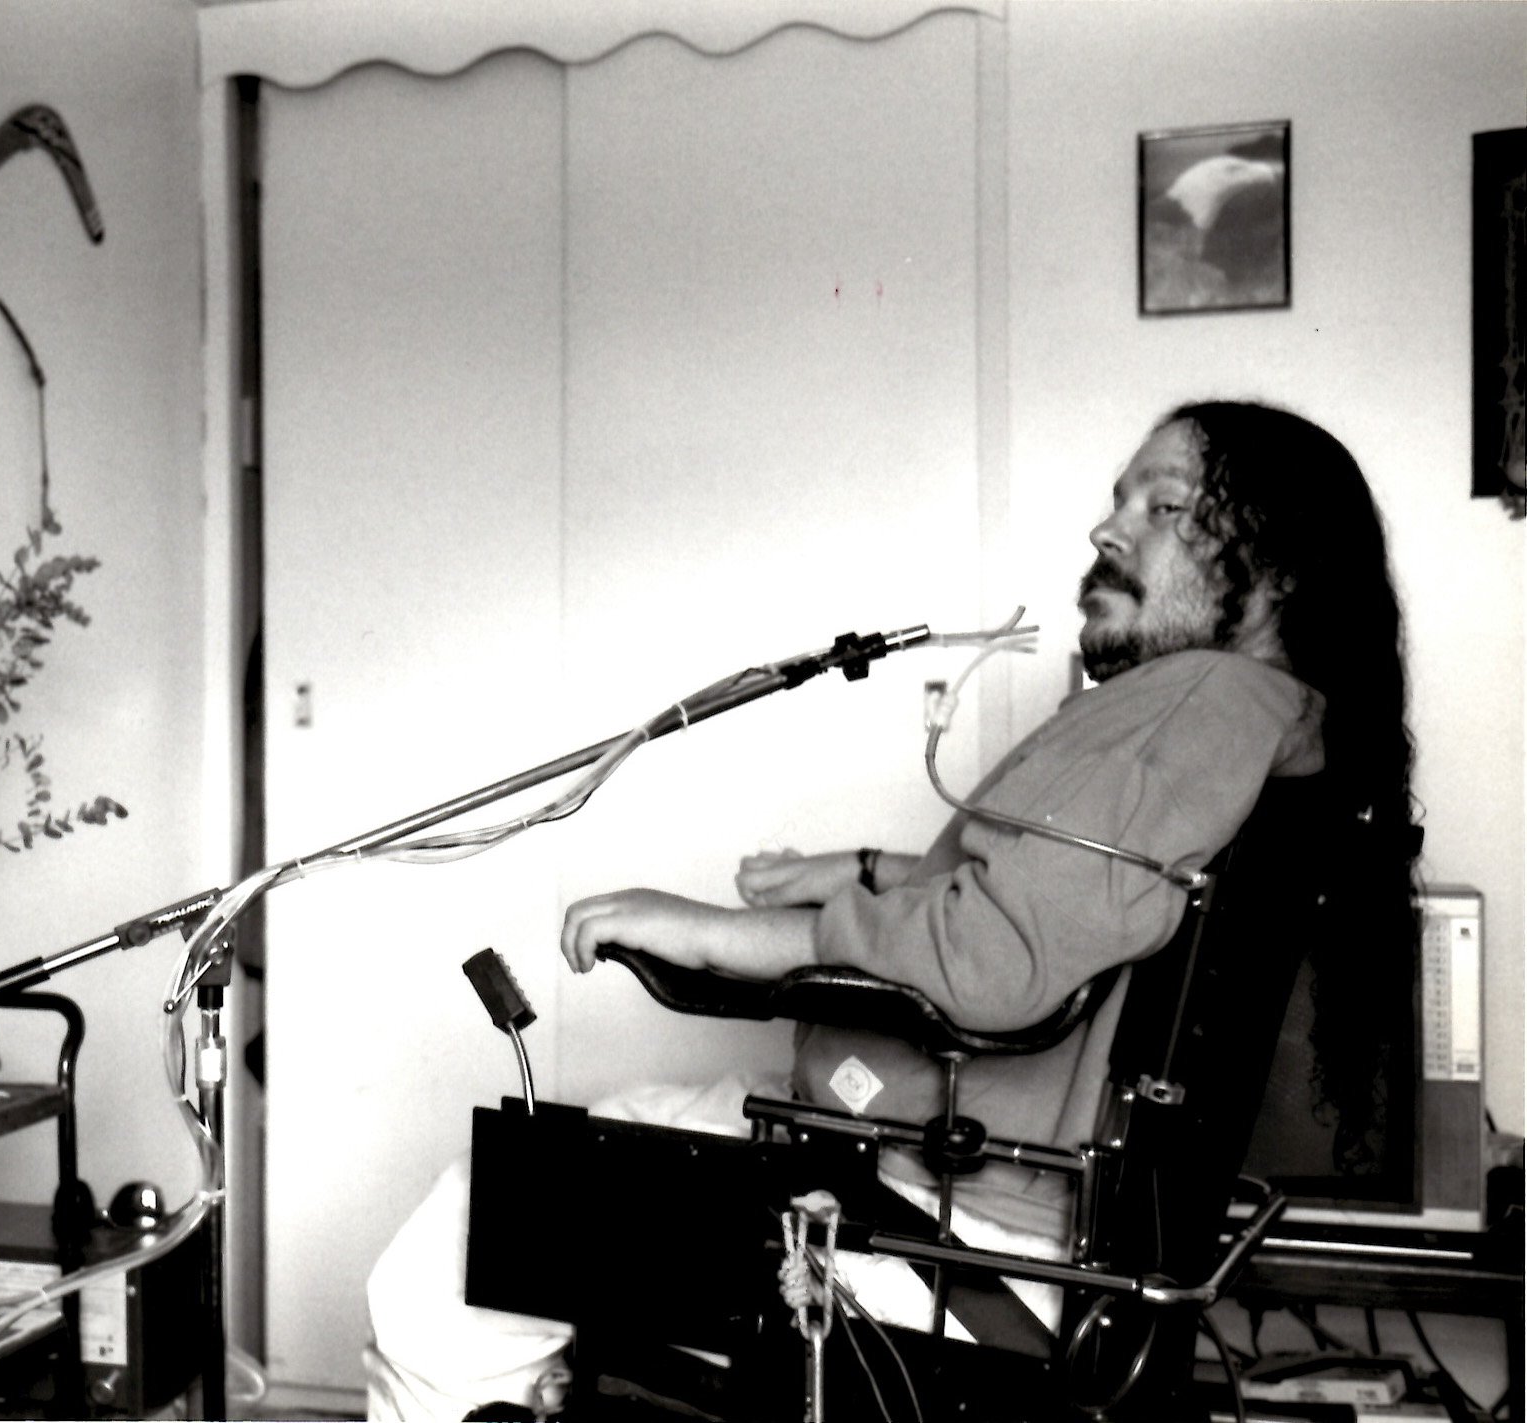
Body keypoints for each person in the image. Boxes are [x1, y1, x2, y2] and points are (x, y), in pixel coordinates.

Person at [367, 399, 1419, 1420]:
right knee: (570, 1165)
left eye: (1164, 507)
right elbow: (1061, 905)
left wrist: (697, 929)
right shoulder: (1267, 724)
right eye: (1117, 499)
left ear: (1277, 567)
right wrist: (867, 870)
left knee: (454, 1256)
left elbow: (991, 961)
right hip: (949, 1191)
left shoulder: (1199, 700)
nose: (1107, 527)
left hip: (932, 1227)